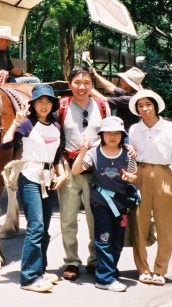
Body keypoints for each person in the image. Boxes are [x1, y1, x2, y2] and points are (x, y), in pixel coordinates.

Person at [1, 84, 67, 293]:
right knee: (36, 227)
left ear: (53, 104)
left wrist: (62, 172)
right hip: (30, 178)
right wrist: (15, 122)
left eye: (48, 101)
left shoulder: (56, 127)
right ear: (33, 104)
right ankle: (29, 277)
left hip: (49, 179)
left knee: (44, 229)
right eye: (40, 101)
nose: (44, 105)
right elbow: (5, 144)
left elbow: (57, 155)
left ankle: (40, 270)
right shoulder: (28, 125)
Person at [71, 116, 137, 292]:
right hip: (100, 203)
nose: (113, 136)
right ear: (102, 134)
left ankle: (109, 270)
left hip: (121, 204)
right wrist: (83, 151)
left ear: (123, 135)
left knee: (117, 241)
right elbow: (76, 170)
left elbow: (133, 174)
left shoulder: (128, 153)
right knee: (104, 239)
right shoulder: (94, 152)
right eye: (108, 133)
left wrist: (130, 178)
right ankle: (105, 279)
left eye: (117, 133)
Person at [56, 65, 111, 281]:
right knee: (68, 218)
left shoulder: (102, 105)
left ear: (92, 85)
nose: (82, 87)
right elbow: (54, 136)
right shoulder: (61, 106)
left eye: (87, 82)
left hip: (96, 169)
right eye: (77, 82)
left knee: (94, 217)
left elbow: (111, 133)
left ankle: (95, 259)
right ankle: (71, 261)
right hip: (70, 168)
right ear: (70, 84)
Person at [127, 89, 172, 287]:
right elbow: (130, 158)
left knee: (165, 226)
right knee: (139, 224)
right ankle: (143, 269)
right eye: (140, 106)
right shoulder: (134, 130)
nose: (145, 109)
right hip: (140, 175)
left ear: (156, 106)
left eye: (148, 104)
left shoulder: (171, 129)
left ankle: (160, 269)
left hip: (164, 175)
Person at [91, 66, 146, 131]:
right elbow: (111, 87)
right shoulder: (128, 93)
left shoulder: (129, 99)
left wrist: (88, 88)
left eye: (123, 79)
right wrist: (96, 74)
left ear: (128, 83)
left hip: (128, 131)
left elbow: (103, 100)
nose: (121, 80)